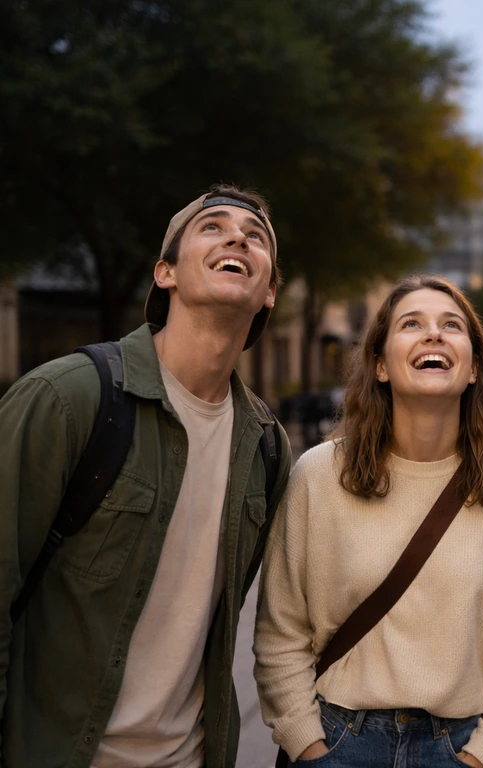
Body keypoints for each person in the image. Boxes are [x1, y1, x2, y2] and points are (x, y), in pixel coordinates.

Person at [0, 185, 292, 768]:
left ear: (269, 294)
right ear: (165, 273)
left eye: (255, 236)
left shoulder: (265, 446)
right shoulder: (64, 398)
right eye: (212, 227)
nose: (238, 236)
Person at [254, 275, 483, 768]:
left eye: (451, 325)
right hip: (338, 740)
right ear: (379, 364)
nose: (434, 334)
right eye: (411, 324)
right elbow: (280, 629)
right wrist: (307, 744)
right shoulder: (317, 475)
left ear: (473, 369)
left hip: (461, 747)